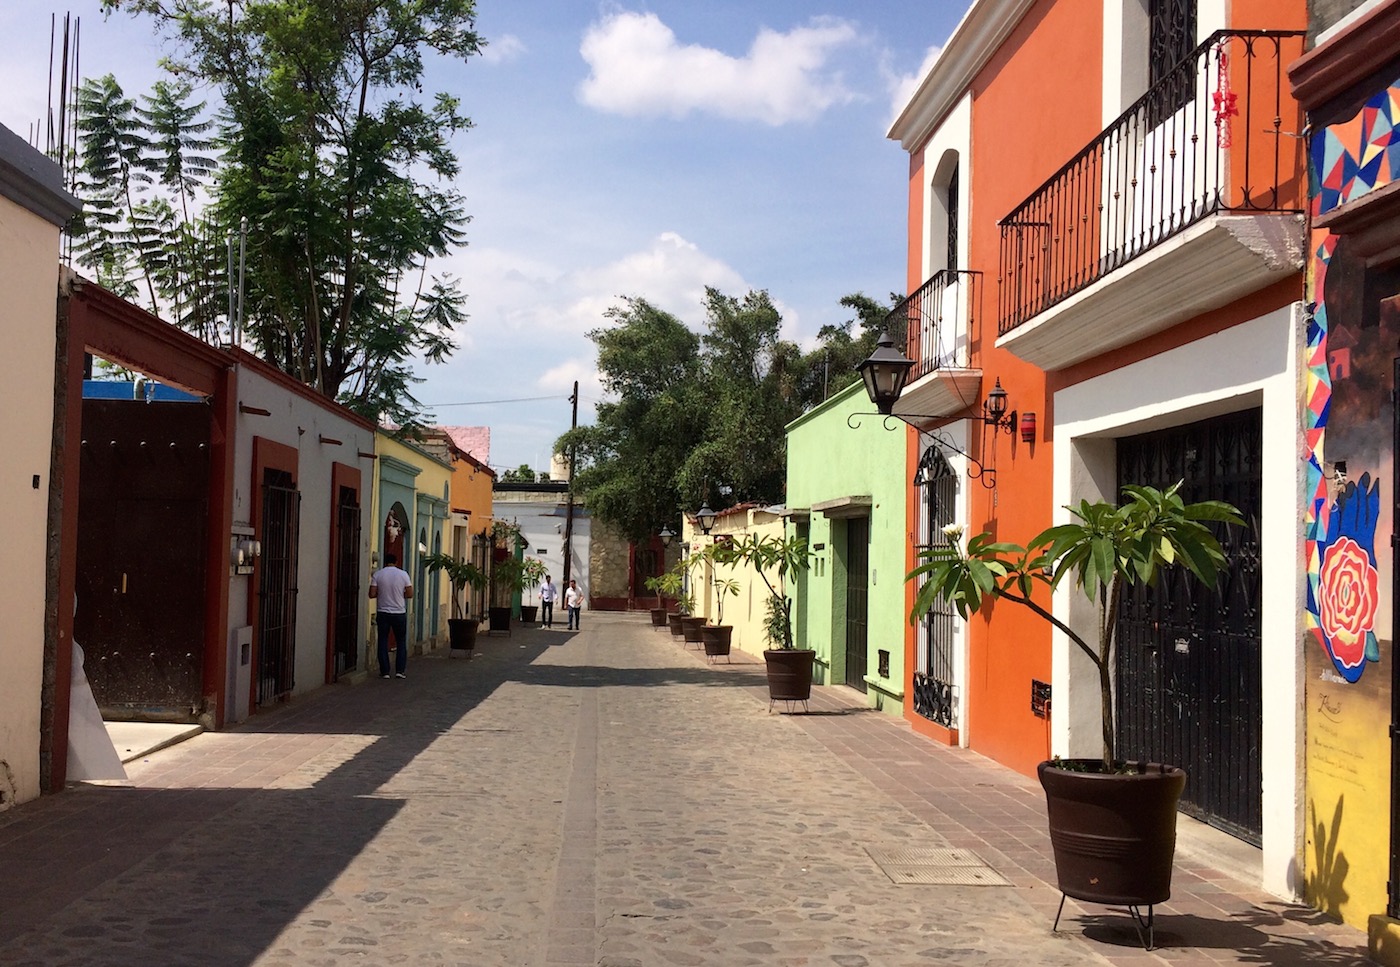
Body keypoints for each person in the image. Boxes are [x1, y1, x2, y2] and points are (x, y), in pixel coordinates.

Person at [370, 552, 414, 679]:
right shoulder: (403, 574)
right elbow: (410, 593)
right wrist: (400, 595)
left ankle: (385, 671)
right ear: (396, 562)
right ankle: (400, 670)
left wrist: (382, 594)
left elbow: (372, 594)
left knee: (382, 640)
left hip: (383, 612)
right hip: (399, 612)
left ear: (385, 562)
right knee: (401, 641)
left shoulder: (378, 574)